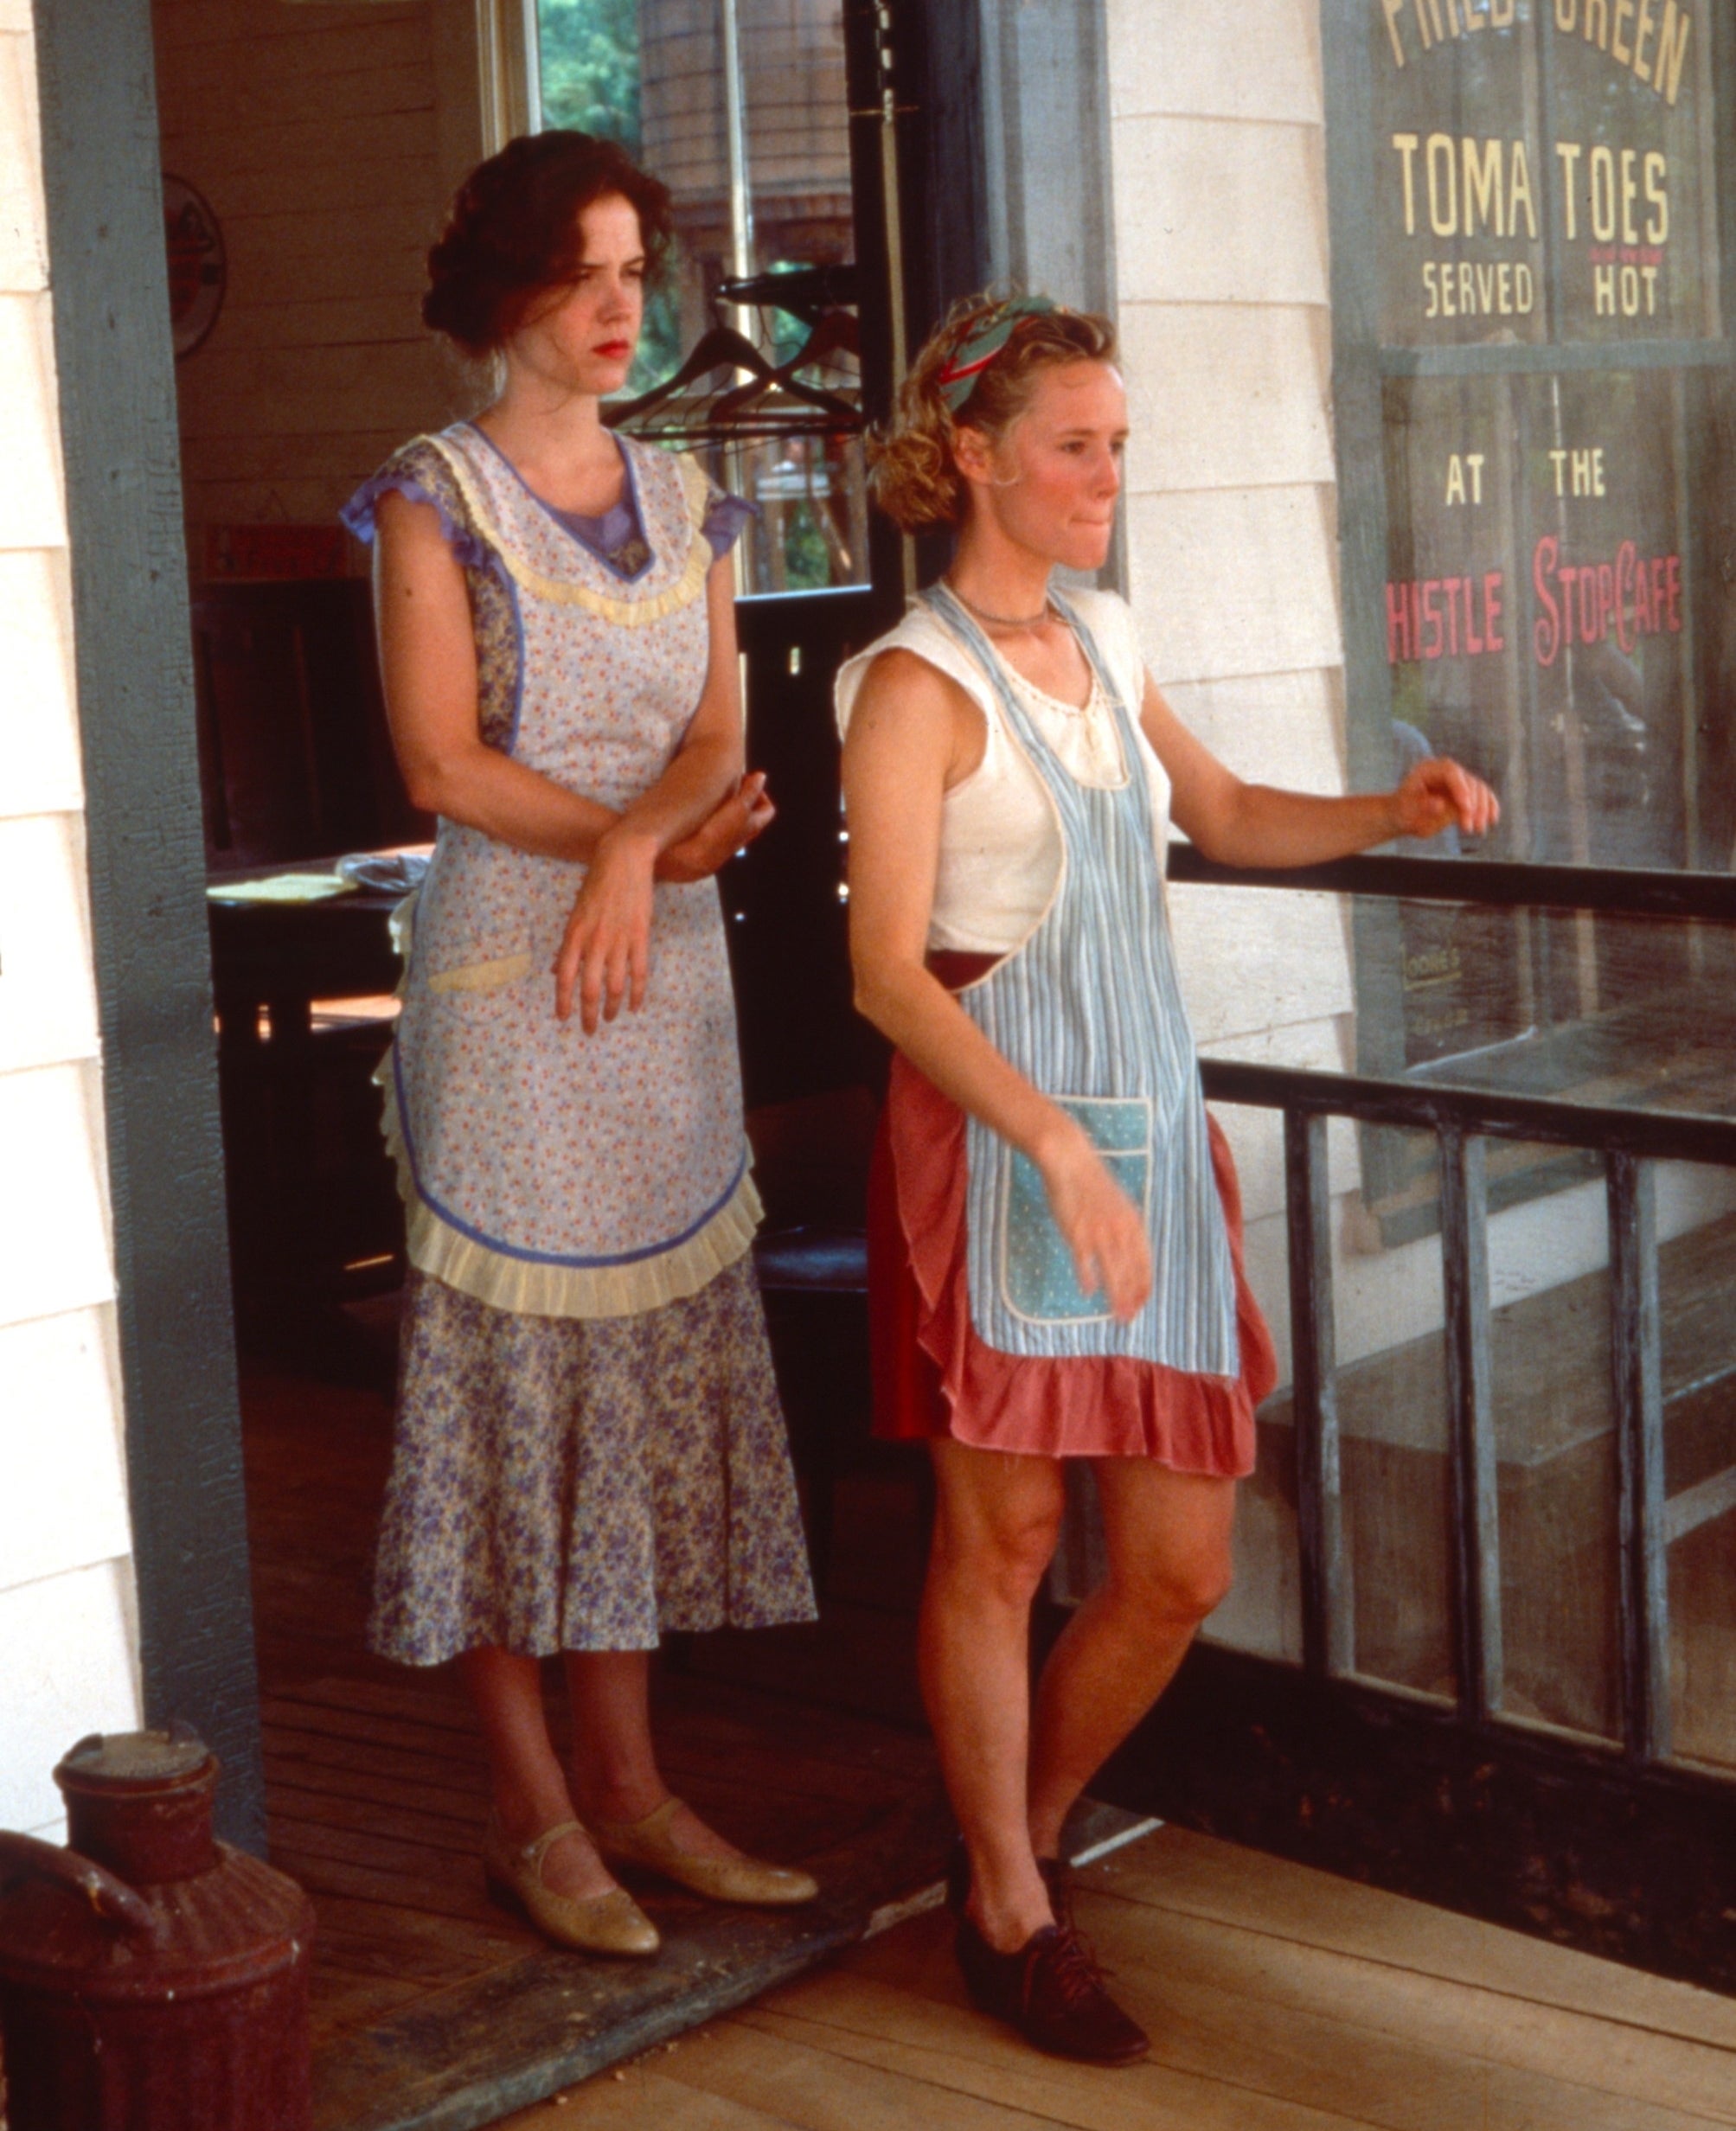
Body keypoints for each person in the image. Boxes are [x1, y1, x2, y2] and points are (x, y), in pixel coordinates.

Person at [837, 293, 1497, 2061]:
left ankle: (1018, 1829)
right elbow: (883, 973)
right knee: (1006, 1536)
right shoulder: (911, 684)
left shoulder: (1100, 637)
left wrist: (1384, 808)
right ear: (973, 454)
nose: (1106, 474)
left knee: (1178, 1562)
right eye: (1076, 444)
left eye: (1118, 444)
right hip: (999, 1133)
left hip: (1140, 1121)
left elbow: (1217, 818)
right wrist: (1042, 1136)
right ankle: (1005, 1900)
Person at [341, 131, 820, 1960]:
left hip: (663, 981)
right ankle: (527, 1809)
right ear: (505, 294)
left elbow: (718, 728)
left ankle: (633, 1787)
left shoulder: (687, 490)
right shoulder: (428, 499)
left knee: (637, 1381)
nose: (624, 306)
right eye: (586, 272)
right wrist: (619, 843)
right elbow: (441, 765)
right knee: (510, 1390)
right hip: (509, 1002)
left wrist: (646, 845)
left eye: (638, 270)